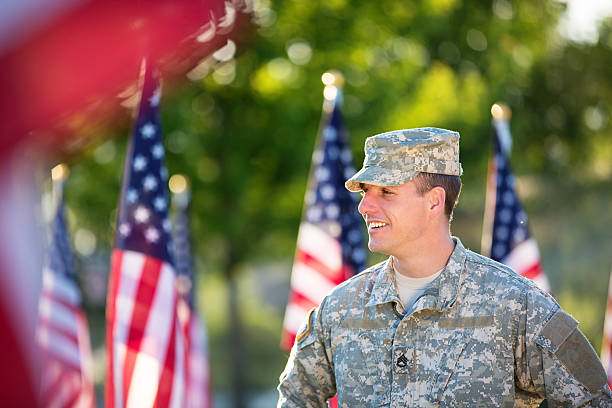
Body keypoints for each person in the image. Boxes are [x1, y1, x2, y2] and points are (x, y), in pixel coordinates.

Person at [277, 127, 611, 407]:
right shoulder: (339, 308)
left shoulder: (515, 304)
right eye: (365, 192)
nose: (365, 206)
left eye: (386, 192)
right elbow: (293, 399)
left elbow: (594, 401)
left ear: (435, 201)